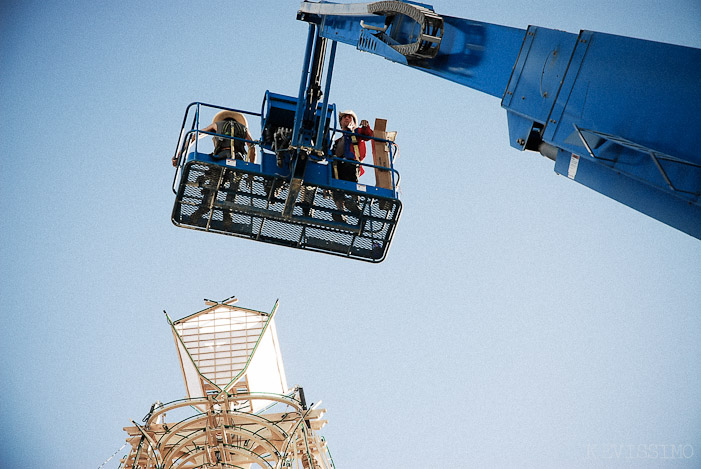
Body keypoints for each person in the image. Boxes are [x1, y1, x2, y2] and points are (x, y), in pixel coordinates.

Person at [186, 110, 257, 228]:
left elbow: (197, 135)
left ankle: (203, 208)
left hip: (220, 158)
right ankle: (227, 213)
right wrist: (251, 172)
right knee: (233, 187)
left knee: (213, 184)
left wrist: (181, 152)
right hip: (237, 161)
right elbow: (252, 148)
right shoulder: (244, 129)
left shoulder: (217, 125)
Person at [331, 110, 372, 222]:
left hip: (352, 164)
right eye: (344, 117)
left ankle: (355, 202)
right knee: (336, 186)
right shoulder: (338, 141)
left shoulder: (357, 132)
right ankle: (341, 211)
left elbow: (368, 135)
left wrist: (365, 126)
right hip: (338, 167)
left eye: (350, 117)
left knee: (351, 175)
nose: (347, 119)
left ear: (354, 122)